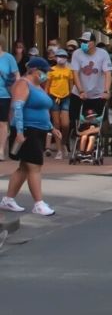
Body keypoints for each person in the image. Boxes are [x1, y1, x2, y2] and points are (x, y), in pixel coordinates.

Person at [1, 57, 56, 216]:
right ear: (33, 70)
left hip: (39, 129)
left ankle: (8, 199)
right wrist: (19, 132)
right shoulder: (23, 84)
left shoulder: (38, 87)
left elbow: (44, 110)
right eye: (43, 71)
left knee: (25, 167)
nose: (45, 74)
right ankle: (38, 203)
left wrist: (52, 128)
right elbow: (17, 107)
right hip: (27, 129)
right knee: (34, 166)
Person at [70, 30, 112, 137]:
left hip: (97, 94)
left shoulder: (103, 54)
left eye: (86, 41)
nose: (83, 44)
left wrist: (106, 90)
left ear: (93, 42)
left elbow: (108, 73)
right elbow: (75, 73)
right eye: (82, 41)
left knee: (96, 120)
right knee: (76, 119)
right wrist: (81, 91)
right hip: (80, 93)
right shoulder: (77, 54)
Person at [46, 48, 74, 158]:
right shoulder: (51, 70)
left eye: (64, 57)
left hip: (65, 97)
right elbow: (47, 86)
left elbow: (71, 85)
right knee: (56, 124)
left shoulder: (68, 71)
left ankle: (64, 143)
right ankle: (59, 150)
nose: (61, 59)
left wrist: (69, 94)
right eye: (59, 56)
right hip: (53, 97)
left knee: (65, 124)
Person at [0, 38, 21, 156]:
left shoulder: (8, 58)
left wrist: (17, 90)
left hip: (4, 95)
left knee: (2, 123)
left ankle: (1, 150)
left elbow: (16, 75)